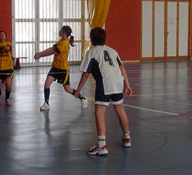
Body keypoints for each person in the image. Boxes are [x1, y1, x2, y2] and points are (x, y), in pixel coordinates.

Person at [75, 28, 132, 156]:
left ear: (92, 38)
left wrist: (78, 89)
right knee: (120, 109)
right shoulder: (112, 51)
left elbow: (86, 73)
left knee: (99, 111)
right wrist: (127, 85)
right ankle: (127, 138)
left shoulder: (92, 52)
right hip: (118, 82)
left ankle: (101, 145)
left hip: (104, 83)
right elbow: (122, 68)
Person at [34, 25, 88, 111]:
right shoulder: (61, 41)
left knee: (68, 89)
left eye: (60, 30)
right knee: (47, 84)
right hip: (55, 68)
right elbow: (52, 48)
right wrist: (40, 53)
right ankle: (46, 103)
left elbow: (52, 51)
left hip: (63, 70)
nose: (59, 31)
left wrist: (40, 54)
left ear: (64, 32)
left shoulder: (65, 43)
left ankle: (82, 98)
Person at [0, 31, 13, 106]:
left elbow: (8, 49)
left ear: (6, 36)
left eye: (3, 34)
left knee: (8, 84)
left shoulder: (9, 43)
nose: (2, 36)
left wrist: (6, 48)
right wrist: (3, 47)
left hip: (8, 68)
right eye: (0, 34)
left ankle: (7, 99)